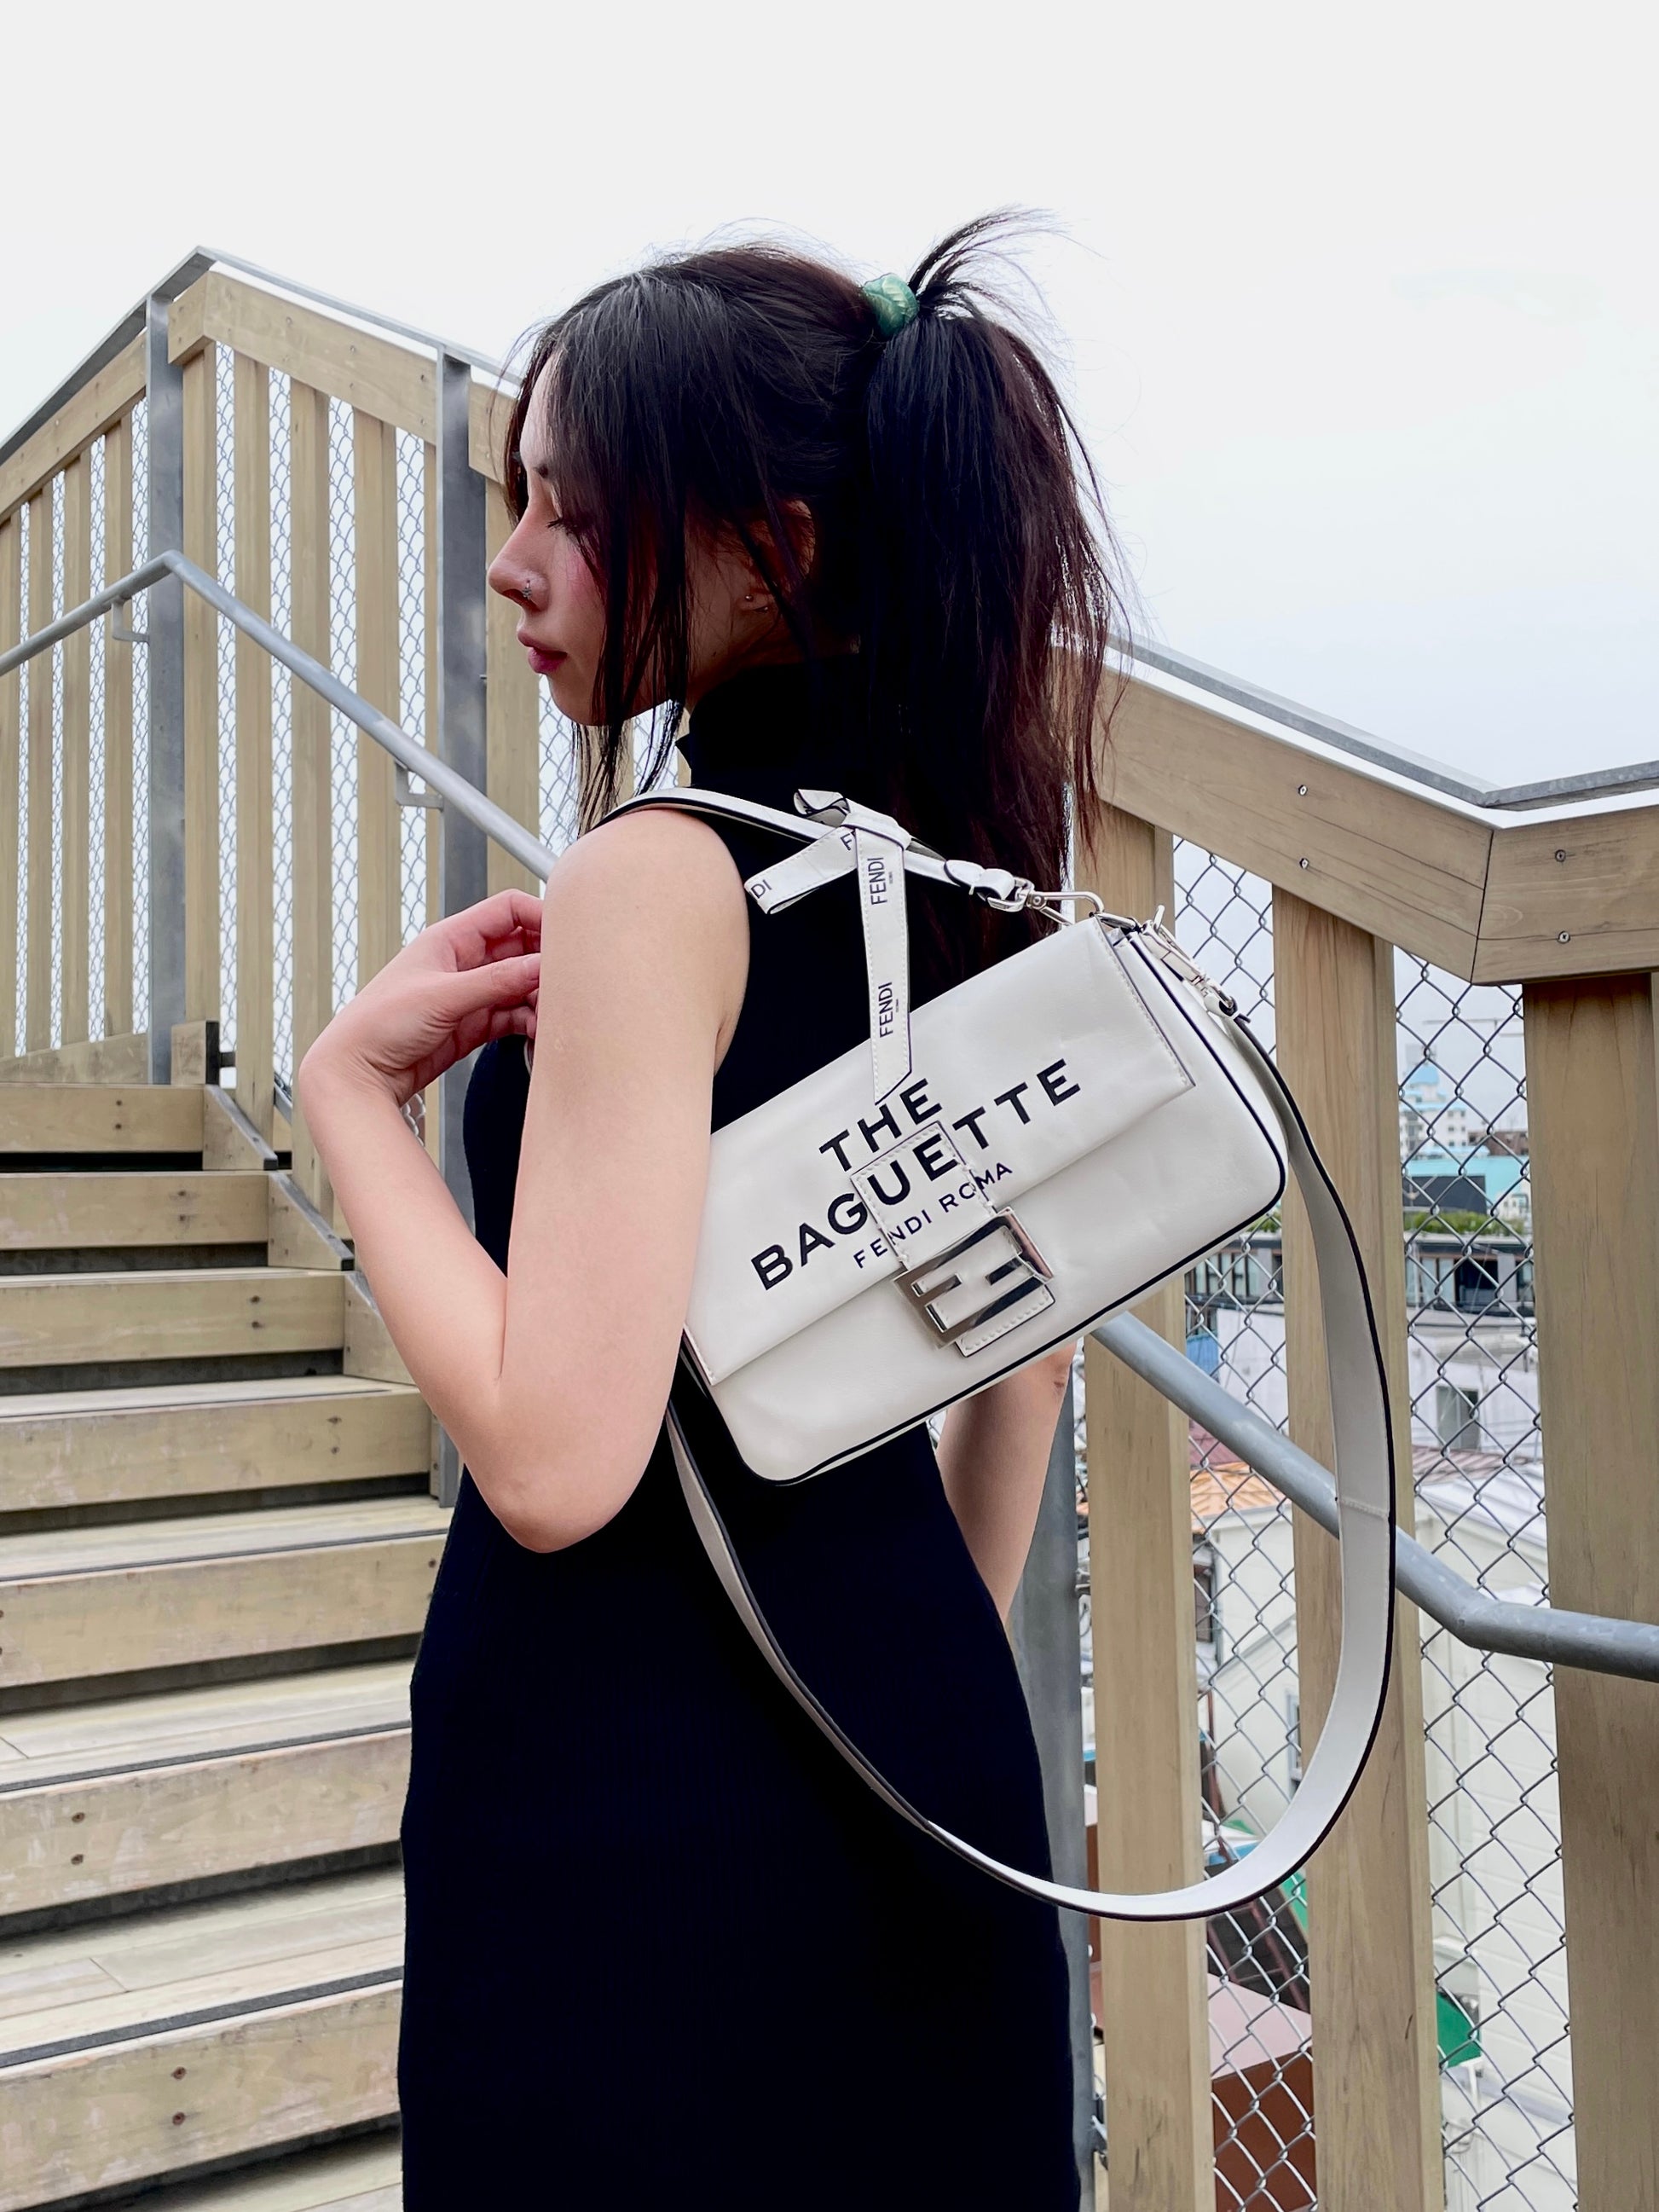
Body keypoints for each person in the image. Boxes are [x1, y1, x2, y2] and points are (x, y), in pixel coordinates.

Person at [297, 213, 1128, 2209]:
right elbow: (1017, 1373)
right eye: (520, 501)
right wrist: (892, 1645)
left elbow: (556, 1464)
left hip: (634, 1825)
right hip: (924, 1770)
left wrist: (348, 1100)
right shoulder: (971, 863)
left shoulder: (657, 874)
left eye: (577, 516)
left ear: (781, 544)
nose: (514, 564)